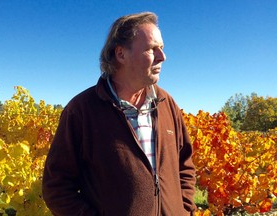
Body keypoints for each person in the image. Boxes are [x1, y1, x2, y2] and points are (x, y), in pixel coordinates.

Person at [42, 12, 196, 216]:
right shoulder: (81, 110)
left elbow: (185, 166)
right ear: (121, 54)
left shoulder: (167, 104)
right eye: (152, 49)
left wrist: (185, 210)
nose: (162, 57)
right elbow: (56, 187)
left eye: (162, 48)